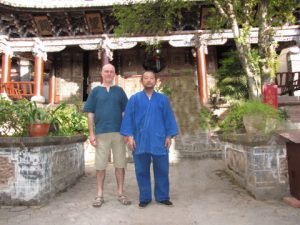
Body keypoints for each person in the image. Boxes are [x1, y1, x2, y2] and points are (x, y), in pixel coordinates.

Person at [120, 71, 178, 208]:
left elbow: (168, 118)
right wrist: (129, 137)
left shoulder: (163, 99)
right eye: (146, 78)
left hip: (160, 140)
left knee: (162, 170)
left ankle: (163, 196)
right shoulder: (134, 99)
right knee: (141, 170)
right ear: (142, 81)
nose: (149, 80)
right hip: (140, 140)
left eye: (151, 78)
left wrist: (169, 136)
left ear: (155, 81)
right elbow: (128, 118)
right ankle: (145, 197)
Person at [84, 63, 131, 207]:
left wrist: (127, 133)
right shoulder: (96, 91)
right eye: (106, 71)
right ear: (102, 73)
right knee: (100, 166)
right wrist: (91, 133)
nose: (109, 73)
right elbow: (90, 113)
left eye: (111, 71)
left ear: (114, 74)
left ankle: (121, 193)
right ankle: (99, 195)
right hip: (101, 133)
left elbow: (126, 113)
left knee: (120, 164)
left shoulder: (119, 91)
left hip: (119, 133)